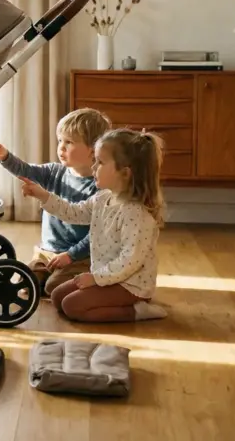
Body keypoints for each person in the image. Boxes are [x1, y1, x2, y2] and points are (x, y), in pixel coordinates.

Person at [18, 128, 169, 322]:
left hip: (130, 284)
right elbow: (73, 213)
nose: (93, 167)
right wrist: (42, 195)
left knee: (72, 307)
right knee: (57, 296)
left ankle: (137, 311)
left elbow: (129, 262)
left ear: (124, 173)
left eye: (100, 162)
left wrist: (95, 279)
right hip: (106, 276)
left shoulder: (136, 214)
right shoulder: (102, 198)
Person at [0, 108, 112, 296]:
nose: (61, 147)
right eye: (60, 140)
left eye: (69, 142)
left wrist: (71, 256)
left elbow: (97, 234)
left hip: (81, 256)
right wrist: (5, 156)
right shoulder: (54, 172)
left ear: (94, 150)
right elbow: (25, 170)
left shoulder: (101, 186)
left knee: (53, 288)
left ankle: (95, 279)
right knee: (26, 285)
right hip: (47, 254)